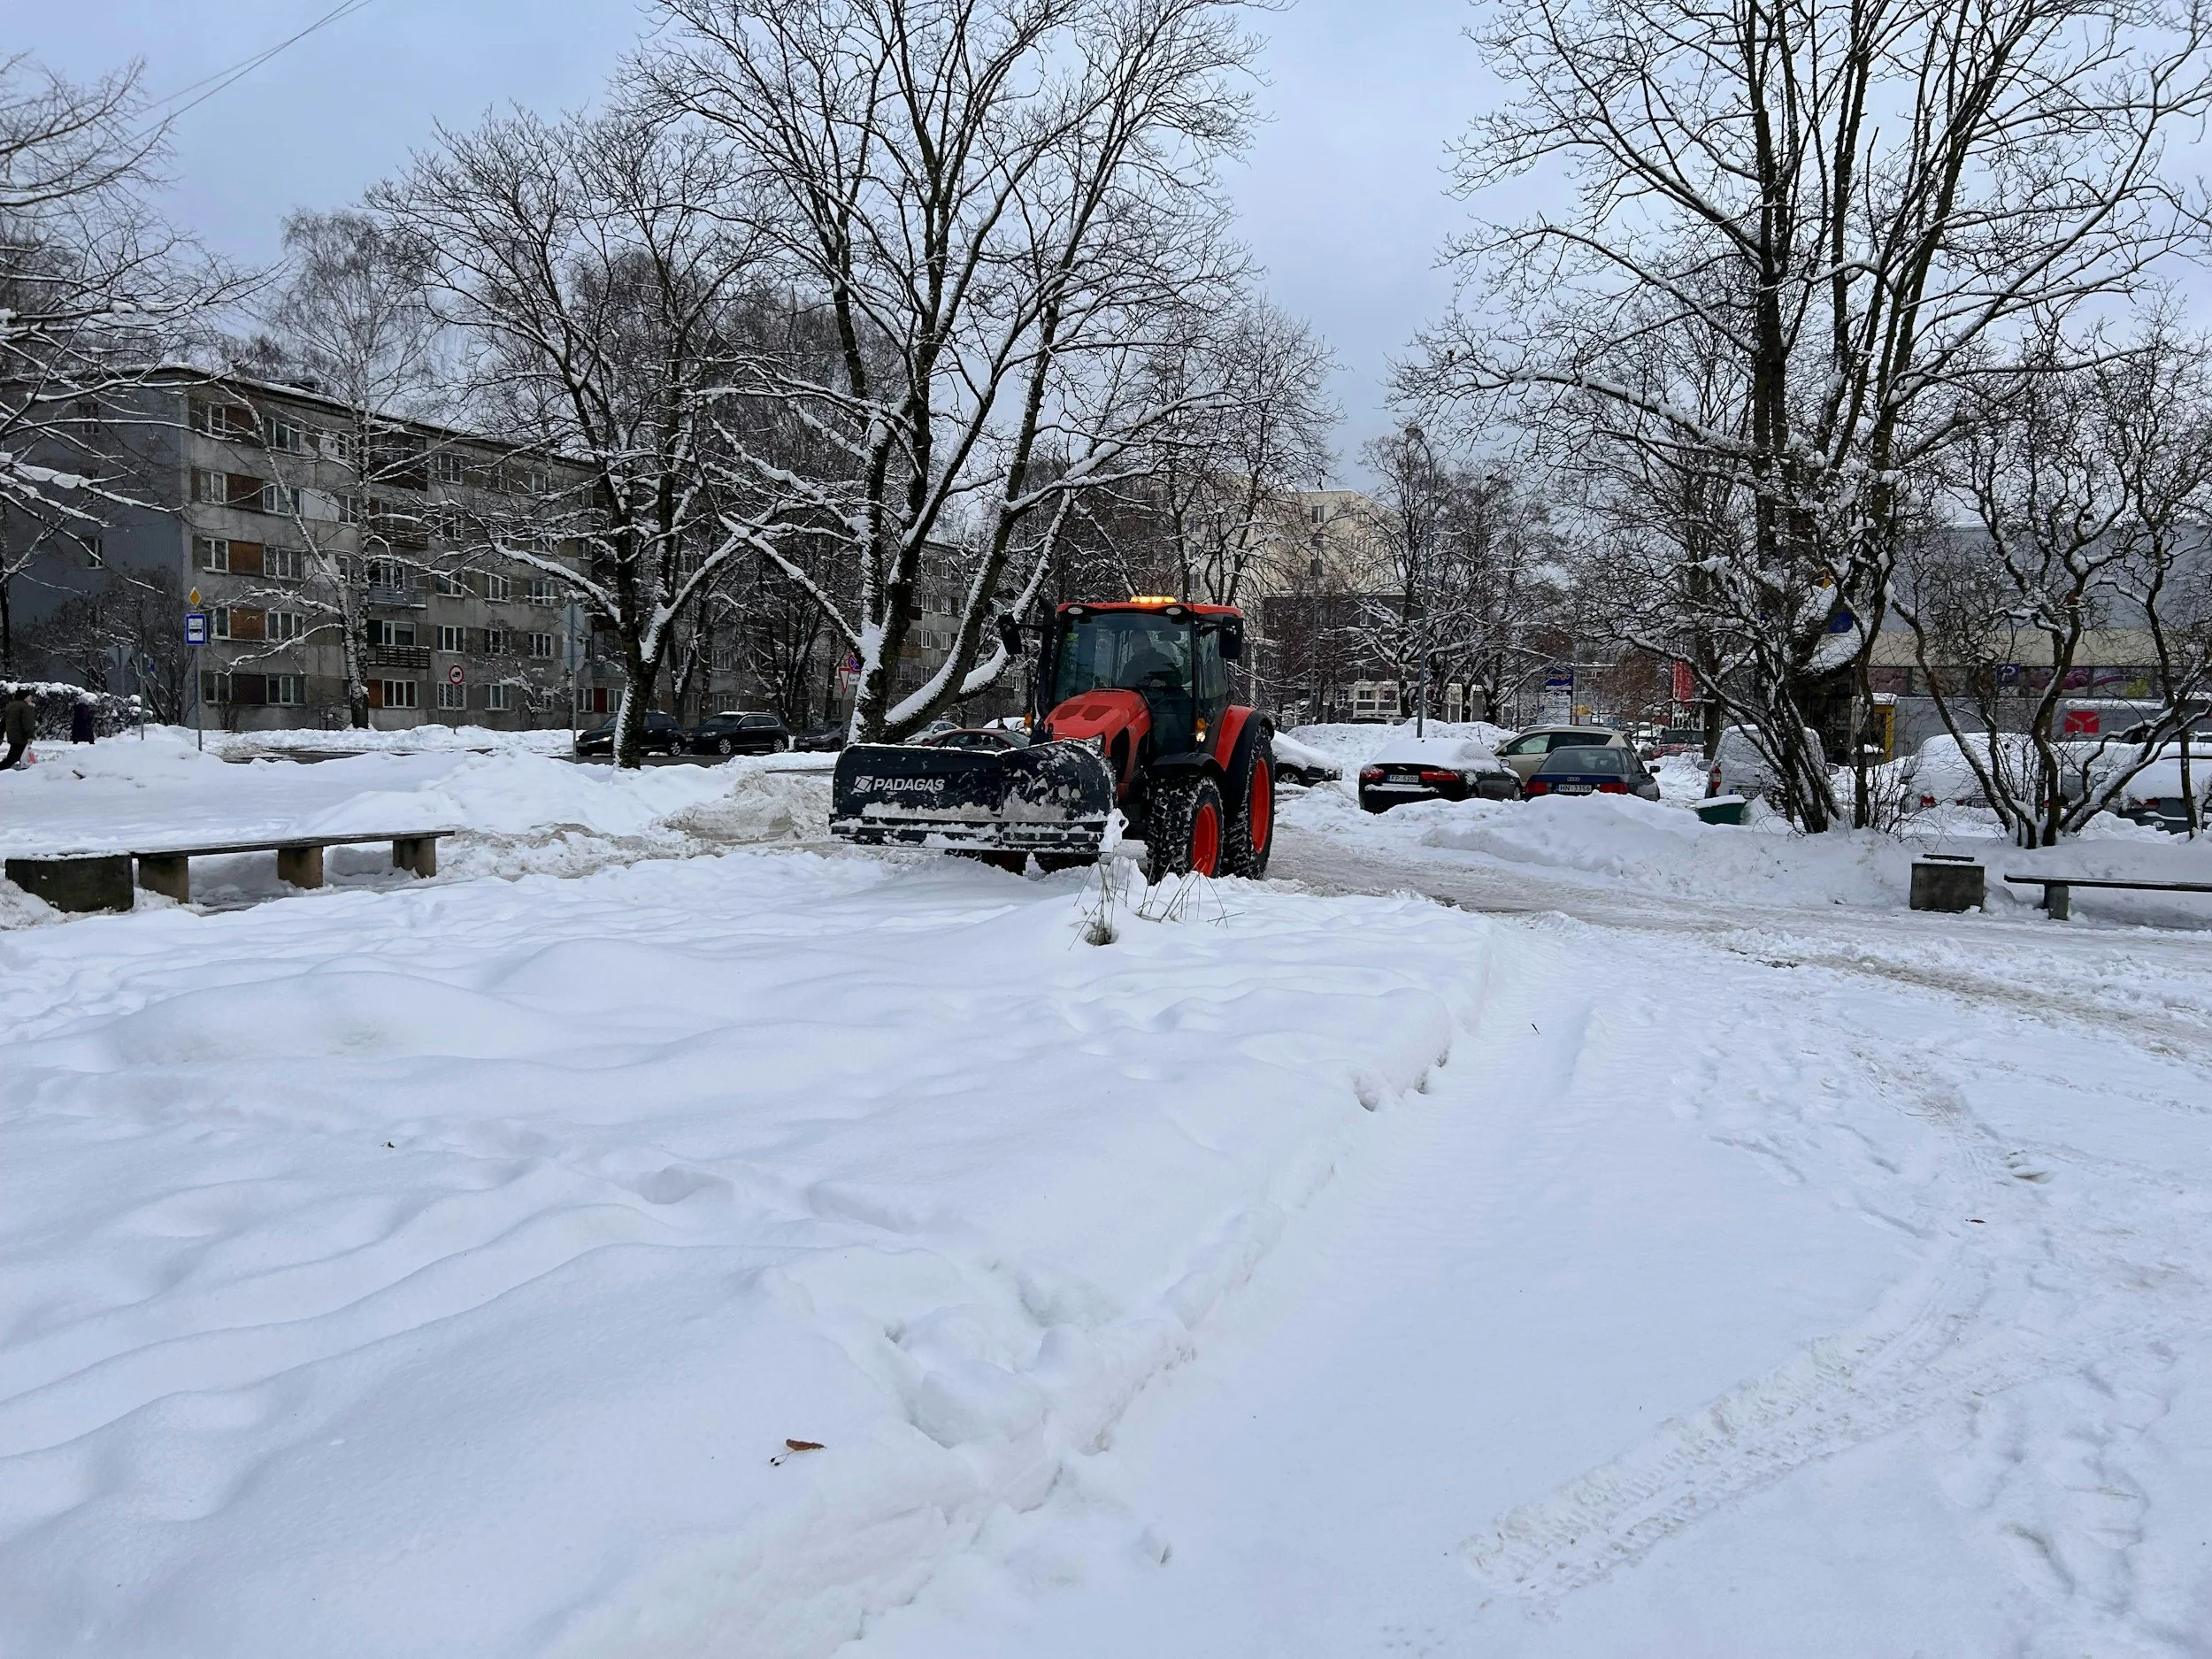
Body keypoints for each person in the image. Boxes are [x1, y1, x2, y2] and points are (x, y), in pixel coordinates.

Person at [3, 687, 33, 770]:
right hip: (21, 736)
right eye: (29, 696)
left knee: (17, 756)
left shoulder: (11, 705)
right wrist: (29, 735)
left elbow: (4, 721)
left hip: (12, 735)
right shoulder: (24, 707)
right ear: (24, 697)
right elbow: (27, 722)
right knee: (14, 757)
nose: (31, 698)